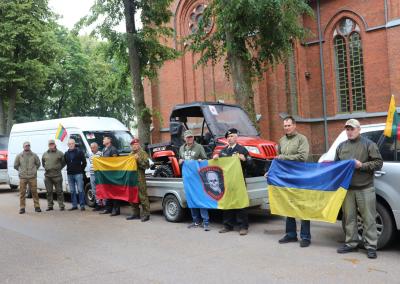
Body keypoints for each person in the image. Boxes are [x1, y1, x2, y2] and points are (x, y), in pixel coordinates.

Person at [335, 119, 383, 259]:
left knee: (368, 218)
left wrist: (361, 165)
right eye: (347, 129)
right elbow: (335, 166)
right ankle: (351, 243)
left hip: (365, 187)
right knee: (349, 218)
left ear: (358, 129)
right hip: (347, 189)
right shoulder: (341, 146)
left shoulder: (369, 144)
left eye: (352, 129)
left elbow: (379, 163)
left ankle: (371, 246)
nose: (349, 132)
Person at [274, 116, 311, 247]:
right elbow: (278, 160)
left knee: (302, 206)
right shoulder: (281, 140)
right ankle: (291, 234)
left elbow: (303, 157)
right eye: (285, 126)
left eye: (289, 125)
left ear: (294, 125)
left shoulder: (302, 139)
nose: (287, 128)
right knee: (288, 205)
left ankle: (305, 237)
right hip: (286, 177)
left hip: (300, 177)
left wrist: (284, 157)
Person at [213, 128, 250, 235]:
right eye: (228, 137)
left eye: (232, 136)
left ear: (236, 137)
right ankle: (227, 225)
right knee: (227, 203)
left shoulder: (242, 149)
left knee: (240, 204)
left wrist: (245, 159)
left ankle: (243, 226)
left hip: (239, 182)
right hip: (227, 182)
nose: (230, 138)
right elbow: (218, 165)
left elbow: (252, 165)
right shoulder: (223, 151)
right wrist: (215, 158)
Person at [179, 130, 209, 231]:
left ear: (193, 138)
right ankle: (196, 221)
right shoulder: (181, 148)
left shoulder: (199, 147)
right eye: (188, 137)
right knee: (191, 199)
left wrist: (201, 160)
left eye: (191, 137)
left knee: (201, 198)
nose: (190, 139)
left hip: (198, 178)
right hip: (188, 178)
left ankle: (205, 222)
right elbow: (180, 160)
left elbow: (205, 159)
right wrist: (180, 161)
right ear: (184, 138)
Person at [126, 138, 151, 222]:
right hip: (132, 179)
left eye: (136, 144)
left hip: (140, 178)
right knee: (133, 196)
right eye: (133, 145)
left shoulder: (143, 153)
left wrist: (138, 159)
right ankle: (135, 213)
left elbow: (146, 166)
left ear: (138, 145)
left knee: (143, 196)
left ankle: (146, 214)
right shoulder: (130, 154)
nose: (134, 146)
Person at [14, 141, 41, 214]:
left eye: (28, 146)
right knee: (22, 193)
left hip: (32, 177)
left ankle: (37, 206)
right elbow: (15, 165)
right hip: (23, 177)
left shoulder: (34, 155)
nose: (27, 147)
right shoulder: (19, 156)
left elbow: (38, 163)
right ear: (23, 147)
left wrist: (34, 170)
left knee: (34, 192)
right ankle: (22, 207)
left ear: (30, 146)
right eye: (26, 146)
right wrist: (21, 171)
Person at [42, 139, 66, 211]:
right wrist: (47, 167)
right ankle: (50, 206)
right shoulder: (45, 154)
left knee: (59, 191)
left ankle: (61, 205)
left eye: (52, 144)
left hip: (57, 176)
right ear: (48, 145)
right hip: (48, 176)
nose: (51, 145)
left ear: (55, 145)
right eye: (50, 144)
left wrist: (58, 168)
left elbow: (64, 162)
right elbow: (43, 163)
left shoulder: (60, 153)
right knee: (49, 192)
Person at [64, 139, 87, 211]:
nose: (71, 145)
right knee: (72, 191)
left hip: (78, 174)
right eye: (69, 144)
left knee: (80, 190)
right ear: (68, 145)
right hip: (70, 174)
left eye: (72, 143)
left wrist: (80, 169)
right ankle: (74, 205)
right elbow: (66, 163)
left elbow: (84, 162)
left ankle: (82, 205)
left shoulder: (79, 152)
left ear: (74, 144)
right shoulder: (66, 153)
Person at [100, 135, 119, 216]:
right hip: (106, 174)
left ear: (109, 140)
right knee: (107, 191)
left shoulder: (113, 149)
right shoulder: (104, 149)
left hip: (112, 174)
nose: (103, 140)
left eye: (104, 139)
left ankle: (116, 209)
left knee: (114, 192)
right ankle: (108, 208)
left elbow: (115, 162)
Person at [89, 142, 102, 211]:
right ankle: (98, 204)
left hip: (98, 174)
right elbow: (90, 163)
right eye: (91, 147)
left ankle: (103, 204)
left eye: (93, 147)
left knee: (100, 189)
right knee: (94, 190)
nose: (92, 149)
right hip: (92, 174)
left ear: (97, 147)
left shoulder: (100, 154)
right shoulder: (90, 154)